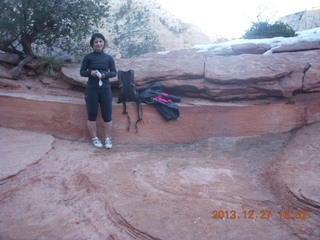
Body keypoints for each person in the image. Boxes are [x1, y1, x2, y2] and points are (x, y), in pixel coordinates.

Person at [80, 33, 116, 148]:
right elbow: (82, 72)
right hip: (91, 89)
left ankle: (107, 139)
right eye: (96, 42)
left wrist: (106, 74)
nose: (99, 44)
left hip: (105, 89)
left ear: (104, 43)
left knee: (107, 114)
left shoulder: (109, 58)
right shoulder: (88, 57)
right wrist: (91, 73)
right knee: (92, 114)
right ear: (92, 44)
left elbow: (114, 72)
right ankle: (95, 138)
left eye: (101, 41)